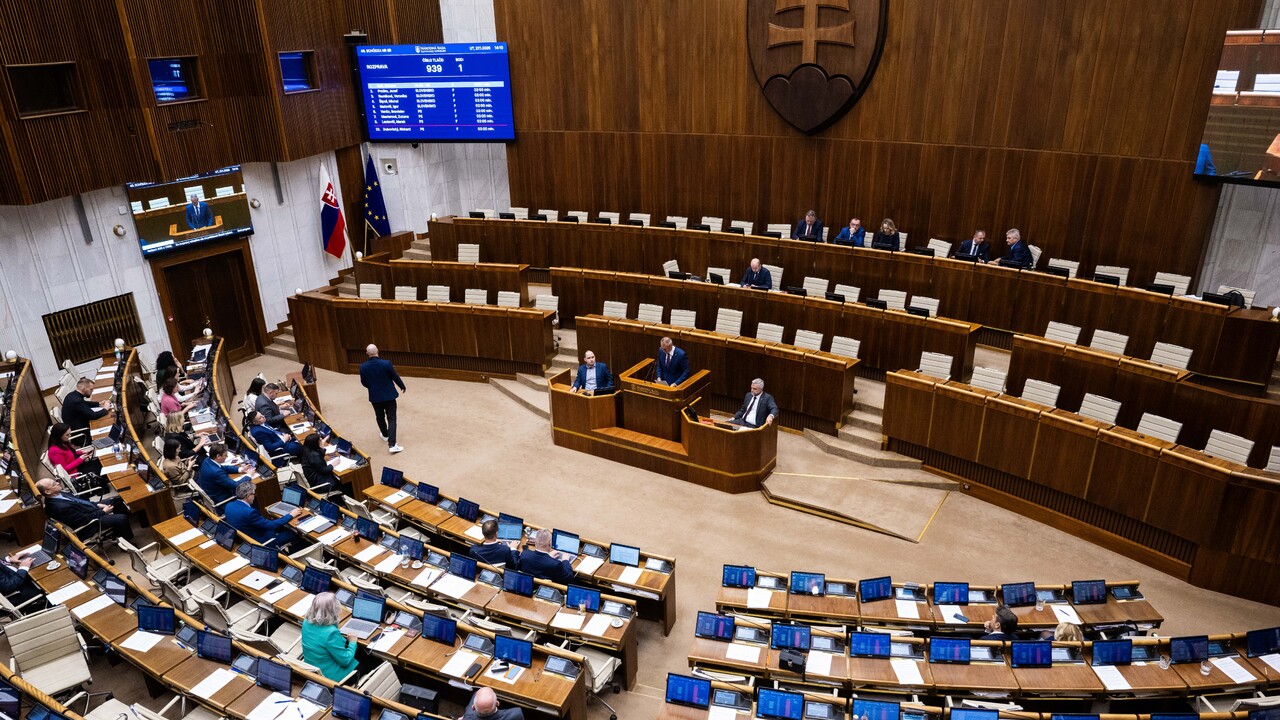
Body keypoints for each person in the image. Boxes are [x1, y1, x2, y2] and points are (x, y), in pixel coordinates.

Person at [36, 477, 133, 542]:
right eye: (54, 484)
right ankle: (127, 543)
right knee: (121, 518)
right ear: (48, 491)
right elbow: (83, 520)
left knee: (117, 500)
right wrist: (103, 511)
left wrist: (98, 505)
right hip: (89, 525)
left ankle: (119, 533)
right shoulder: (58, 507)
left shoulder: (60, 493)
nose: (58, 483)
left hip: (90, 510)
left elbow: (81, 502)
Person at [301, 592, 360, 682]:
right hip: (331, 677)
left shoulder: (306, 621)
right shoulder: (331, 633)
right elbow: (345, 661)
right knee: (370, 660)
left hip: (311, 668)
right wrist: (352, 642)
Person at [360, 344, 406, 454]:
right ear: (378, 351)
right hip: (389, 395)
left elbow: (364, 382)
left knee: (379, 416)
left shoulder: (363, 367)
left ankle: (385, 435)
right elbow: (394, 376)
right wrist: (402, 386)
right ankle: (392, 444)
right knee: (392, 419)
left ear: (367, 353)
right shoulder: (386, 364)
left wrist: (373, 387)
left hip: (375, 397)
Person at [226, 481, 299, 549]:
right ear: (248, 496)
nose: (254, 496)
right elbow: (271, 525)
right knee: (294, 534)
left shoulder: (229, 506)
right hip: (260, 541)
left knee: (280, 526)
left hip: (244, 538)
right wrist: (291, 515)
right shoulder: (249, 512)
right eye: (254, 494)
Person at [197, 443, 246, 507]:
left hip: (213, 492)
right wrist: (248, 476)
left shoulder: (207, 460)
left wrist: (240, 469)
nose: (227, 457)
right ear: (218, 456)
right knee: (248, 489)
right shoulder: (216, 472)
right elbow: (235, 485)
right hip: (222, 499)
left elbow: (222, 467)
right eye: (225, 455)